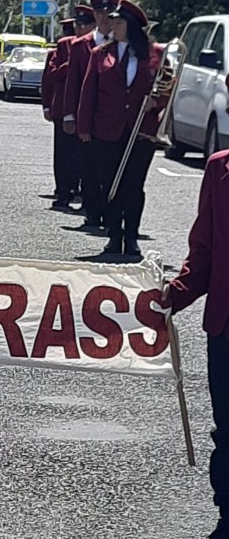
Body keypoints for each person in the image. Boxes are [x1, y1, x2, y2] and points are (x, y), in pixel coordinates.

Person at [167, 150, 229, 539]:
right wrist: (172, 296)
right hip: (225, 327)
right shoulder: (219, 167)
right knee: (228, 430)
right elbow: (203, 250)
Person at [76, 0, 165, 257]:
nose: (112, 26)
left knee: (134, 185)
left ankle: (132, 237)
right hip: (106, 129)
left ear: (132, 26)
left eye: (119, 22)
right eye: (113, 22)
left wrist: (156, 102)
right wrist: (83, 126)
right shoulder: (100, 54)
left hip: (141, 131)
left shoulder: (155, 54)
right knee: (110, 184)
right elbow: (88, 92)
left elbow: (167, 87)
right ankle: (114, 235)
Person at [63, 0, 120, 228]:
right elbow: (72, 83)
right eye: (99, 12)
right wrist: (69, 115)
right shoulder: (80, 45)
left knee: (112, 168)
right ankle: (93, 211)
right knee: (88, 166)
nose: (104, 17)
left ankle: (111, 212)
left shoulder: (123, 43)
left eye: (109, 12)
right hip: (87, 113)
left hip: (113, 115)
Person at [41, 5, 95, 208]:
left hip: (88, 108)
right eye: (77, 25)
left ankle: (84, 192)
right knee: (63, 154)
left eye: (84, 25)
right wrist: (71, 64)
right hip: (63, 107)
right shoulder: (65, 45)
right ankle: (63, 192)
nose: (79, 29)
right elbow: (51, 76)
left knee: (85, 155)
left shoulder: (98, 45)